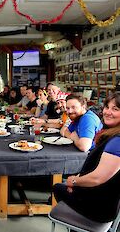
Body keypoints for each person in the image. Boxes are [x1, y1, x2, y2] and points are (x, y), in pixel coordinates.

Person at [53, 92, 120, 224]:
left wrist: (74, 182)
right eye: (107, 107)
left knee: (57, 187)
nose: (107, 112)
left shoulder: (117, 140)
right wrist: (78, 180)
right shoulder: (111, 133)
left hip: (100, 207)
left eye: (115, 109)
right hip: (98, 195)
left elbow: (97, 178)